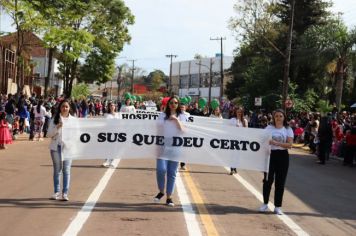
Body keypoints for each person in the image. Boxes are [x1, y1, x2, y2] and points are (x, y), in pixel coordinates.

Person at [154, 96, 187, 207]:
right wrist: (157, 146)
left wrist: (176, 120)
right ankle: (161, 191)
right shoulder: (162, 116)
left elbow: (183, 131)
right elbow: (158, 131)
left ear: (178, 104)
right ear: (168, 104)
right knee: (161, 169)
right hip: (163, 145)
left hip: (176, 146)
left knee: (172, 173)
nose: (173, 104)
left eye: (176, 102)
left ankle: (169, 197)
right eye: (171, 102)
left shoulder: (182, 116)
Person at [259, 109, 293, 215]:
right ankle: (265, 204)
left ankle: (277, 206)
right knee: (268, 180)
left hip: (283, 156)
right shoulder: (269, 128)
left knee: (280, 182)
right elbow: (261, 139)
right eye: (276, 116)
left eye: (280, 116)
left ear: (284, 117)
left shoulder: (287, 129)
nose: (278, 118)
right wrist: (266, 141)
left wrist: (276, 143)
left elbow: (289, 145)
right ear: (274, 117)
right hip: (270, 155)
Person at [47, 99, 73, 201]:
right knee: (57, 170)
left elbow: (77, 135)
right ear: (60, 108)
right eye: (63, 106)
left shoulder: (73, 120)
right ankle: (56, 192)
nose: (65, 108)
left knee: (66, 170)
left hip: (68, 148)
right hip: (56, 147)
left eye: (66, 106)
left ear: (69, 108)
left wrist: (70, 143)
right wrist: (57, 128)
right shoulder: (55, 119)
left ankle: (65, 193)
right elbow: (48, 134)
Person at [229, 106, 248, 175]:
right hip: (233, 140)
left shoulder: (244, 120)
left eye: (240, 112)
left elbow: (247, 130)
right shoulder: (232, 120)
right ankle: (231, 168)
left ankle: (235, 167)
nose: (239, 113)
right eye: (238, 112)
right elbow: (228, 129)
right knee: (232, 154)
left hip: (240, 140)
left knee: (238, 155)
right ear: (235, 112)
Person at [102, 102, 120, 167]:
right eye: (111, 106)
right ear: (109, 107)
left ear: (115, 107)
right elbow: (104, 124)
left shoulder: (118, 115)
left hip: (116, 133)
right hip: (108, 133)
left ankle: (112, 161)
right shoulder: (106, 115)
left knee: (114, 147)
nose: (112, 107)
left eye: (113, 106)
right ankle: (106, 161)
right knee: (107, 147)